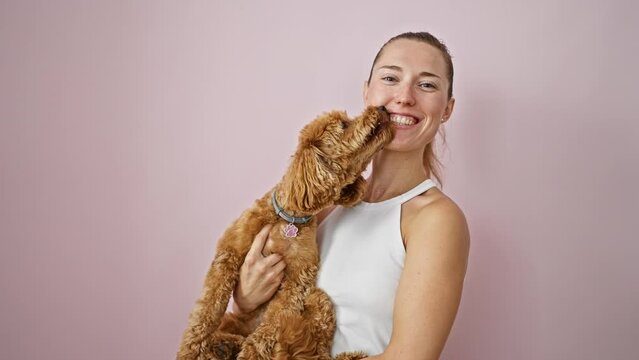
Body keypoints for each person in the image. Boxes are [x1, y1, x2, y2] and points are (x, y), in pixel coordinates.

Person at [232, 32, 470, 360]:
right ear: (367, 91)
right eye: (390, 78)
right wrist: (245, 298)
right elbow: (271, 296)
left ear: (447, 109)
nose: (404, 96)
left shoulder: (436, 220)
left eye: (426, 85)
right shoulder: (324, 201)